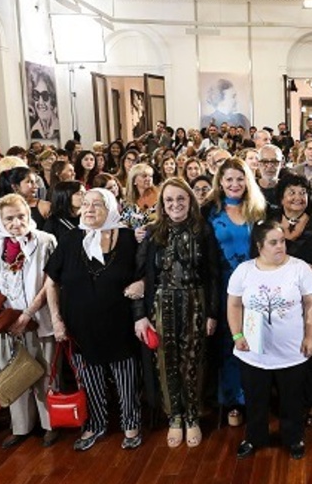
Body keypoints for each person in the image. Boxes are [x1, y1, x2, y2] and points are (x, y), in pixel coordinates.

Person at [45, 188, 143, 452]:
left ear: (110, 207)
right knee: (89, 379)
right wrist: (56, 320)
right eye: (85, 204)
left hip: (120, 323)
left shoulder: (127, 237)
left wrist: (142, 283)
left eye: (97, 205)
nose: (89, 209)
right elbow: (51, 283)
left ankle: (131, 423)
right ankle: (96, 423)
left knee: (126, 379)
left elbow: (146, 273)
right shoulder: (69, 239)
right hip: (80, 325)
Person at [134, 178, 219, 448]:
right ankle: (175, 417)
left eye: (181, 199)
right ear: (162, 204)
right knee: (165, 362)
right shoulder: (152, 232)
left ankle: (193, 415)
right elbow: (139, 279)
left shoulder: (202, 230)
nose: (175, 204)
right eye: (169, 200)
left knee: (193, 361)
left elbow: (213, 275)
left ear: (190, 201)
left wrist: (212, 313)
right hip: (161, 304)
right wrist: (140, 314)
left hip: (196, 301)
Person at [227, 221, 312, 460]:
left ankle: (293, 437)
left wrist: (310, 336)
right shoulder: (244, 271)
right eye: (274, 242)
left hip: (291, 351)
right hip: (253, 352)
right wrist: (237, 334)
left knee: (292, 399)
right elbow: (234, 304)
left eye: (283, 241)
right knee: (255, 398)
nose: (280, 246)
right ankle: (254, 437)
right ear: (259, 246)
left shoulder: (300, 269)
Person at [0, 194, 59, 449]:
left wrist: (28, 314)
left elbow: (50, 283)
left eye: (21, 216)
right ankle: (21, 427)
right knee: (13, 374)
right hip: (6, 324)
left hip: (39, 319)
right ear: (0, 221)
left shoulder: (45, 241)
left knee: (45, 373)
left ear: (28, 215)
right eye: (9, 218)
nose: (16, 223)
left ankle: (50, 424)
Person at [204, 157, 268, 428]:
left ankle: (254, 398)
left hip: (255, 288)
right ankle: (232, 401)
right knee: (230, 344)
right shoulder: (209, 211)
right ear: (220, 181)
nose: (234, 184)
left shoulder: (259, 210)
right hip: (224, 288)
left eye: (240, 179)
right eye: (229, 179)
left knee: (255, 343)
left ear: (248, 181)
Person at [270, 173, 312, 426]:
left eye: (302, 193)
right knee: (285, 349)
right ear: (282, 197)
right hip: (281, 302)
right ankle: (288, 399)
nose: (297, 197)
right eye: (292, 192)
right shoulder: (270, 224)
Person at [121, 163, 158, 231]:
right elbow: (124, 224)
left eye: (150, 176)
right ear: (134, 180)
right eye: (144, 176)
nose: (149, 179)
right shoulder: (127, 201)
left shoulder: (159, 197)